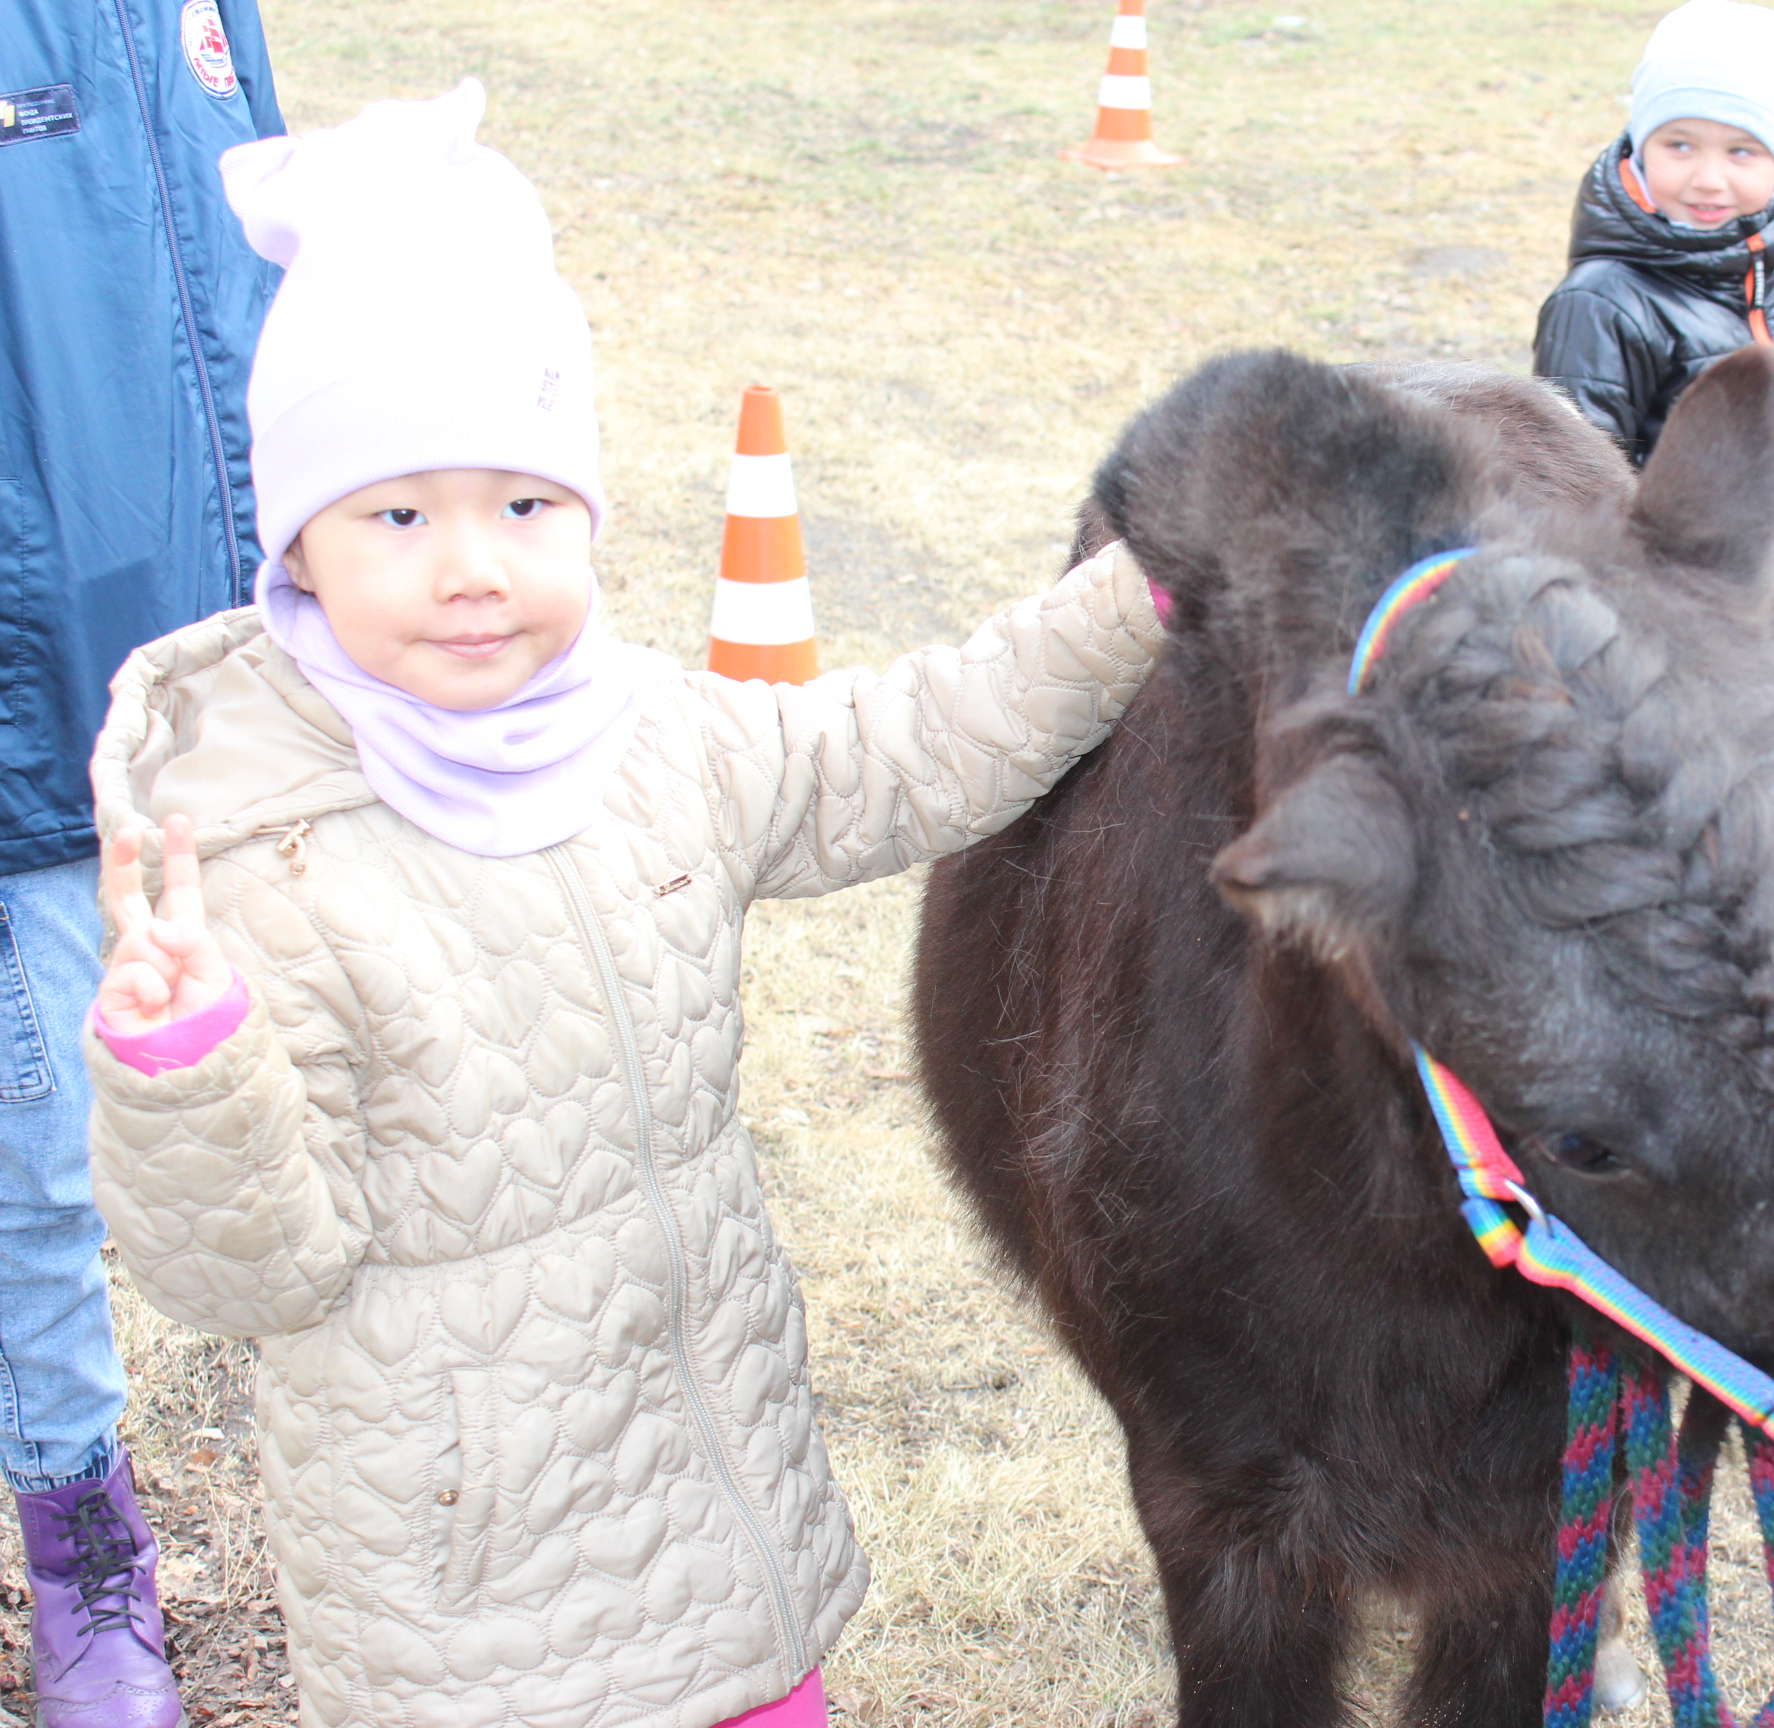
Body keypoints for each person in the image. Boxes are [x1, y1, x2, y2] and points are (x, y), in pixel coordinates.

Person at [76, 81, 1164, 1728]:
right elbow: (256, 1276)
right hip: (467, 1614)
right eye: (396, 514)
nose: (471, 568)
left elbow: (898, 749)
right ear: (296, 549)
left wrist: (1133, 601)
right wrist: (188, 1070)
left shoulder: (648, 734)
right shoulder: (252, 858)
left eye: (523, 505)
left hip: (713, 1527)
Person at [1, 1, 283, 1723]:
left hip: (243, 685)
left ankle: (416, 1507)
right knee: (40, 1178)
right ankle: (82, 1547)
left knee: (349, 1102)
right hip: (26, 716)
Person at [1531, 0, 1774, 464]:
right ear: (1641, 147)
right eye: (1680, 145)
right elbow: (1574, 482)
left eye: (1742, 151)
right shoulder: (1599, 304)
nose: (1709, 179)